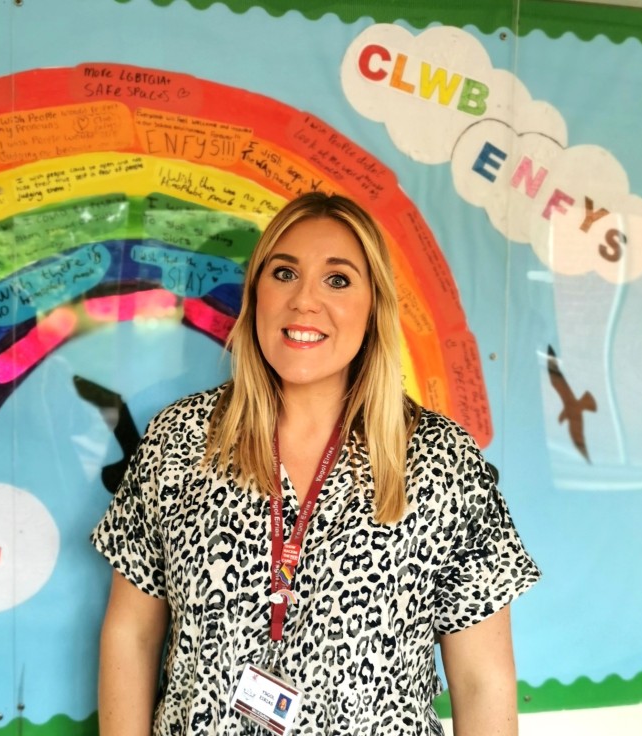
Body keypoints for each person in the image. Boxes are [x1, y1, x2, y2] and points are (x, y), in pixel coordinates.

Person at [92, 192, 541, 735]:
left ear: (373, 306)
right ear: (256, 293)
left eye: (337, 280)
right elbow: (131, 635)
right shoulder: (180, 441)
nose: (304, 300)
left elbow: (482, 681)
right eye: (284, 273)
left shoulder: (441, 461)